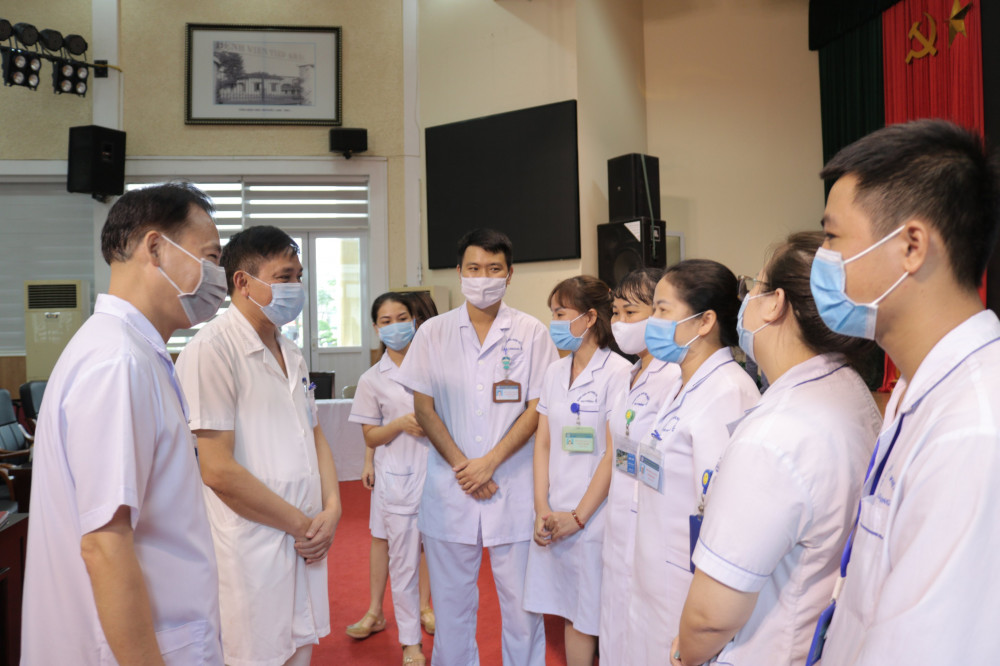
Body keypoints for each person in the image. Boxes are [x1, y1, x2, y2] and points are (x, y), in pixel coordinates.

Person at [801, 120, 1000, 664]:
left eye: (832, 237)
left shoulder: (973, 432)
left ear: (912, 246)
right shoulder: (920, 388)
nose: (822, 257)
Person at [21, 183, 225, 664]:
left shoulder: (129, 351)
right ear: (156, 248)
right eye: (211, 257)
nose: (218, 277)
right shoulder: (118, 362)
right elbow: (104, 545)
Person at [669, 232, 882, 666]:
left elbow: (710, 617)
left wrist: (682, 654)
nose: (746, 299)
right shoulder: (849, 390)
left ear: (776, 303)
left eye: (755, 285)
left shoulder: (772, 435)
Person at [175, 225, 342, 666]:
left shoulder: (292, 351)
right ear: (243, 282)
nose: (295, 288)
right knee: (256, 654)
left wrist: (333, 507)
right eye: (284, 277)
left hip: (305, 538)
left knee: (298, 651)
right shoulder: (212, 350)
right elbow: (217, 469)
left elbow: (314, 434)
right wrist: (302, 526)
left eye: (298, 277)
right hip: (255, 543)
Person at [396, 228, 558, 665]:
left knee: (523, 612)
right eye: (474, 268)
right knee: (451, 612)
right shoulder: (433, 332)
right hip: (452, 488)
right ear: (459, 272)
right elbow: (424, 408)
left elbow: (538, 408)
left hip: (512, 486)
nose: (482, 277)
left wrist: (490, 463)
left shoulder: (531, 332)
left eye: (493, 269)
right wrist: (464, 466)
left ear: (509, 274)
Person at [625, 259, 760, 664]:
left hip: (684, 588)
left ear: (705, 322)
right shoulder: (682, 383)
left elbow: (721, 513)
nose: (652, 321)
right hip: (654, 573)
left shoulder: (729, 391)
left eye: (662, 309)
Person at [522, 275, 632, 665]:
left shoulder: (618, 373)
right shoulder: (554, 372)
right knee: (571, 611)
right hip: (555, 513)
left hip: (594, 516)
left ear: (589, 318)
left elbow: (612, 453)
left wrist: (579, 517)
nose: (553, 322)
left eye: (560, 314)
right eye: (551, 313)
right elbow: (543, 443)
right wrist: (542, 507)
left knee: (593, 614)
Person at [348, 291, 440, 665]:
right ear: (376, 328)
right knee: (402, 561)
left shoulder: (436, 366)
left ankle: (430, 613)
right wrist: (401, 424)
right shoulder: (372, 379)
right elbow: (371, 436)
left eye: (402, 318)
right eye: (386, 321)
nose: (395, 326)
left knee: (440, 555)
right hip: (398, 478)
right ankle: (409, 643)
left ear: (415, 320)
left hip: (440, 475)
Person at [598, 267, 682, 665]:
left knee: (645, 633)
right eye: (616, 313)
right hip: (618, 517)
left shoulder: (674, 376)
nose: (620, 323)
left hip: (651, 523)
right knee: (615, 621)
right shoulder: (631, 371)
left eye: (631, 313)